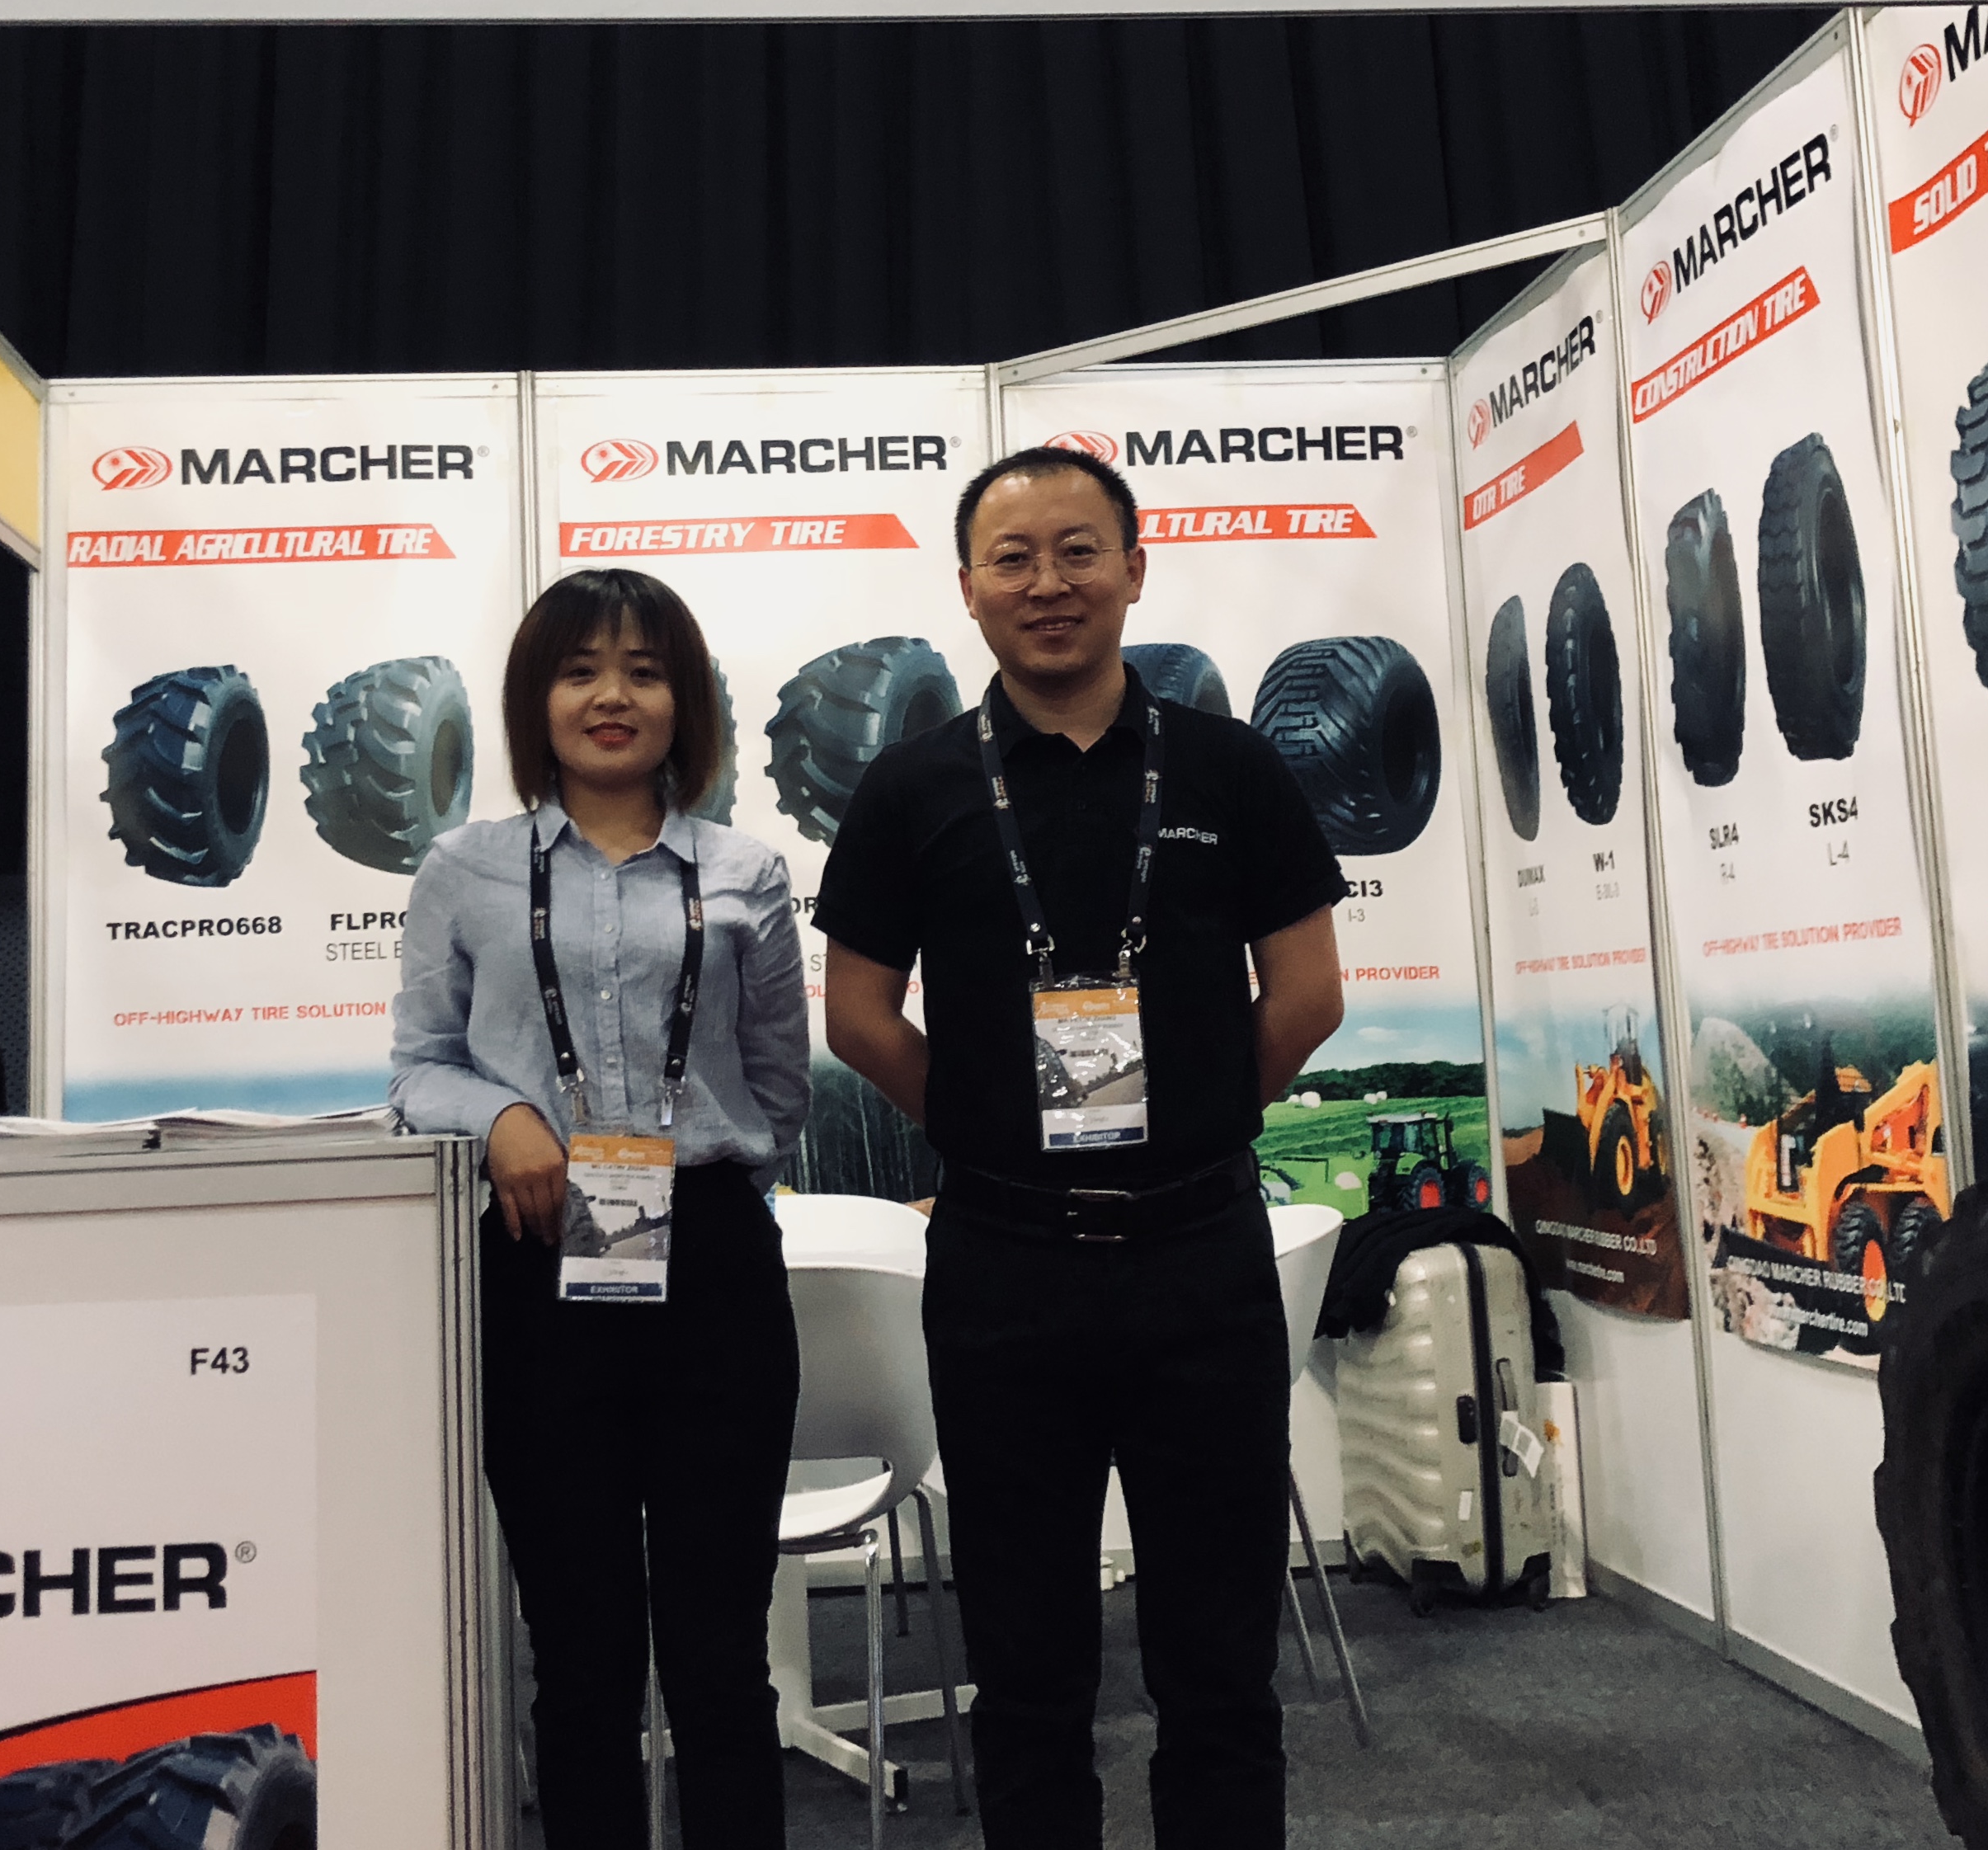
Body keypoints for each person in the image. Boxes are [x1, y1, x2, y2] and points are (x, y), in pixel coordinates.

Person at [814, 446, 1348, 1850]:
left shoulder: (1232, 767)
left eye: (1077, 550)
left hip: (1200, 1262)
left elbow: (1307, 995)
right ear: (969, 588)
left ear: (1133, 568)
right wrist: (981, 1125)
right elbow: (858, 1015)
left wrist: (1201, 1122)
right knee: (1028, 1673)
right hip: (1006, 1273)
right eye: (1013, 557)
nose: (1047, 582)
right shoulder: (912, 786)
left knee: (1220, 1670)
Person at [392, 567, 809, 1850]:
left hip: (716, 1273)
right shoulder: (465, 869)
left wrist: (691, 1168)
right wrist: (504, 1117)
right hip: (538, 1274)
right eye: (579, 670)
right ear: (538, 697)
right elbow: (418, 1068)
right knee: (579, 1660)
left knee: (719, 1655)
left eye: (643, 669)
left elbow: (779, 1082)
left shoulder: (746, 870)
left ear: (685, 700)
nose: (611, 695)